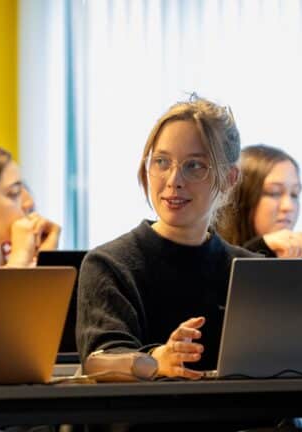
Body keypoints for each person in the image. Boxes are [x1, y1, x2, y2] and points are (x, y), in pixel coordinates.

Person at [76, 95, 258, 381]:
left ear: (230, 178)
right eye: (161, 161)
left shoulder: (249, 270)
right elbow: (99, 360)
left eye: (194, 165)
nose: (174, 180)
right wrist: (154, 360)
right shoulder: (109, 264)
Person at [217, 144, 302, 258]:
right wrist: (260, 247)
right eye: (274, 193)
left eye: (294, 194)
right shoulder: (210, 254)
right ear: (240, 197)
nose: (288, 206)